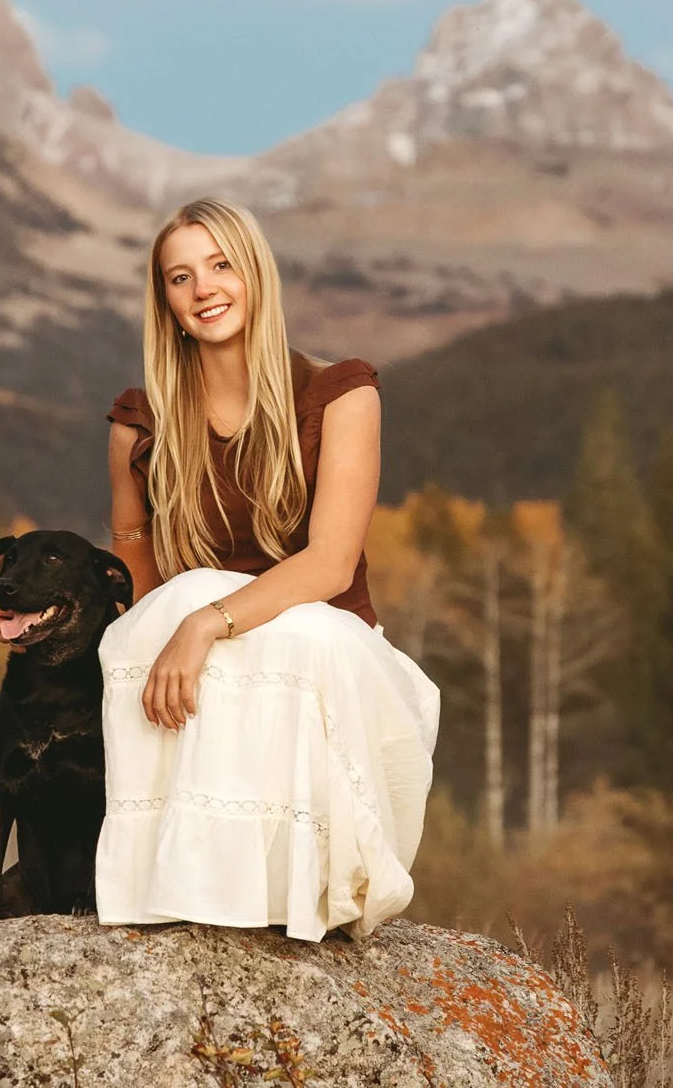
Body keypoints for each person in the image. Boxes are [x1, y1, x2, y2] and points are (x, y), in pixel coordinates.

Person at [95, 196, 440, 943]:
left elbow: (329, 563)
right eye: (180, 277)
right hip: (204, 654)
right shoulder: (141, 421)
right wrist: (167, 632)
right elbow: (135, 560)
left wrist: (202, 624)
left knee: (286, 628)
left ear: (255, 274)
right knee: (158, 616)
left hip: (325, 642)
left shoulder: (340, 394)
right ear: (165, 302)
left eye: (221, 266)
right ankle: (174, 876)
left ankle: (299, 881)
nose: (204, 289)